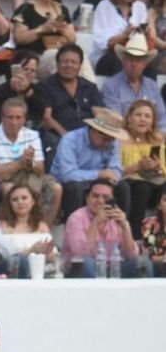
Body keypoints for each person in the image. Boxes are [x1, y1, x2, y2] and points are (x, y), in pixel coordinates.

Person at [0, 97, 61, 223]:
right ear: (2, 117)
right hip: (3, 179)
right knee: (9, 188)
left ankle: (44, 228)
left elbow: (40, 169)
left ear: (24, 119)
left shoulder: (32, 135)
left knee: (56, 189)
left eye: (18, 118)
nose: (14, 122)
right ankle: (14, 226)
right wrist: (19, 163)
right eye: (10, 117)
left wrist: (30, 162)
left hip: (29, 175)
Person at [61, 177, 151, 276]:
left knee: (143, 263)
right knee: (87, 263)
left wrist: (125, 226)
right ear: (87, 198)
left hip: (113, 268)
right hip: (82, 269)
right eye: (95, 196)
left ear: (113, 200)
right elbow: (80, 254)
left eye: (105, 197)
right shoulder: (76, 218)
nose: (100, 201)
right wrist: (95, 223)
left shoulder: (117, 217)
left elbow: (131, 255)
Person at [51, 107, 131, 219]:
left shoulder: (113, 142)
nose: (108, 143)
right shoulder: (70, 140)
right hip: (67, 183)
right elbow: (68, 174)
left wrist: (112, 177)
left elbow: (116, 169)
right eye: (105, 139)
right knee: (75, 187)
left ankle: (119, 225)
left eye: (111, 140)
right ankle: (74, 225)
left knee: (122, 187)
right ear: (94, 130)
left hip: (97, 183)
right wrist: (99, 174)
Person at [11, 0, 76, 74]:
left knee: (77, 58)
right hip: (33, 59)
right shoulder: (26, 8)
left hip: (58, 52)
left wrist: (64, 30)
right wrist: (43, 29)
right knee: (57, 56)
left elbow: (73, 39)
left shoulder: (62, 9)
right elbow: (19, 38)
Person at [91, 0, 150, 76]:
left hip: (134, 54)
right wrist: (124, 35)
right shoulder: (103, 6)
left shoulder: (140, 7)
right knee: (121, 60)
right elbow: (103, 43)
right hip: (107, 56)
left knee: (147, 62)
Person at [120, 98, 166, 233]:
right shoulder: (119, 139)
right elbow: (114, 170)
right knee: (142, 187)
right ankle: (136, 235)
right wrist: (137, 167)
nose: (143, 119)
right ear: (129, 118)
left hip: (154, 181)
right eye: (138, 115)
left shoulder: (157, 140)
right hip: (129, 182)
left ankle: (161, 233)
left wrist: (157, 167)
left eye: (147, 116)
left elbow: (163, 170)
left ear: (152, 122)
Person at [41, 44, 103, 140]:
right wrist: (67, 137)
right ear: (57, 64)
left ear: (80, 66)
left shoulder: (90, 87)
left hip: (88, 138)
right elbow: (47, 118)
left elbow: (98, 114)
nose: (69, 65)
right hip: (59, 137)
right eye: (65, 62)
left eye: (74, 62)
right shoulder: (45, 86)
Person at [100, 33, 166, 121]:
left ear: (144, 64)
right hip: (122, 129)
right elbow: (115, 120)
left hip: (151, 130)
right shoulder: (110, 86)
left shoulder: (152, 87)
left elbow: (162, 118)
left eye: (138, 60)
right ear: (123, 61)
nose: (134, 64)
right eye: (130, 59)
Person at [0, 181, 54, 276]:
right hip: (10, 273)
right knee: (20, 261)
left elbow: (52, 255)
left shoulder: (42, 226)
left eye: (24, 198)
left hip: (40, 271)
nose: (20, 202)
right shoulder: (1, 226)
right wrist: (32, 250)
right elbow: (6, 257)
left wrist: (49, 255)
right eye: (15, 199)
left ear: (33, 201)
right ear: (10, 204)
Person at [139, 185, 166, 275]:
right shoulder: (150, 224)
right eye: (165, 200)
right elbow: (149, 256)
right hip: (159, 266)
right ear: (159, 205)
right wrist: (163, 258)